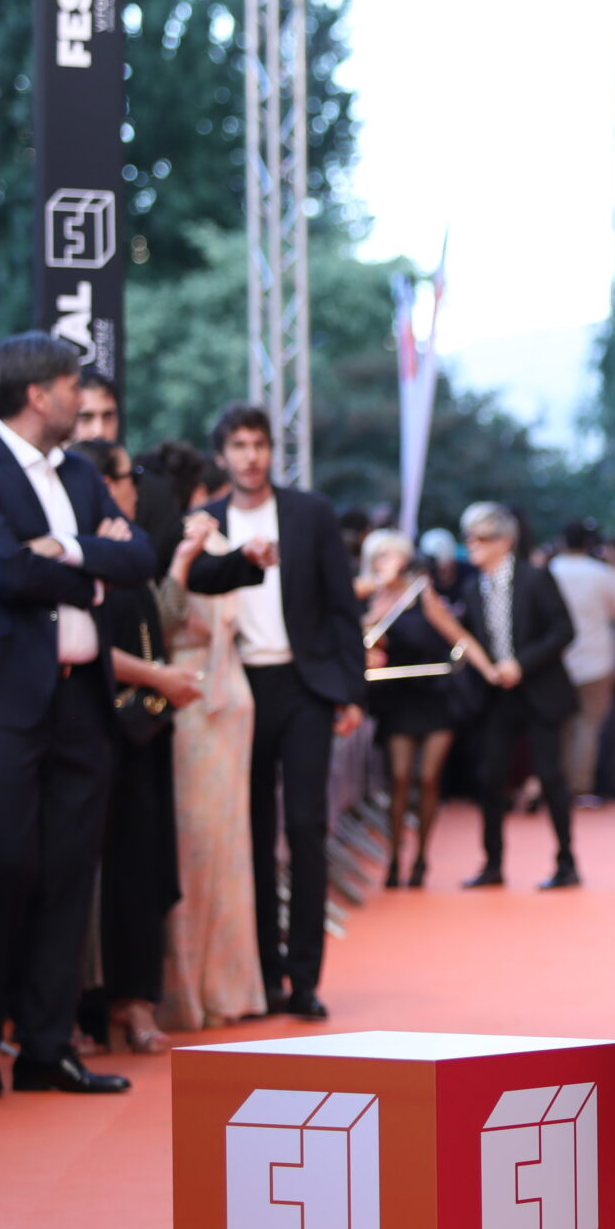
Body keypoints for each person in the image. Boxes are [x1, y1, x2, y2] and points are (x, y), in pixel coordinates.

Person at [0, 333, 155, 1100]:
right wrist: (90, 566)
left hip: (83, 701)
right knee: (6, 863)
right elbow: (0, 566)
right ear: (38, 394)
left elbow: (140, 558)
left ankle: (46, 1046)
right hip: (7, 699)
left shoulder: (82, 473)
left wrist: (63, 547)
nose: (81, 400)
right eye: (71, 387)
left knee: (70, 871)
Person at [182, 404, 367, 1021]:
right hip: (237, 689)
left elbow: (342, 606)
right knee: (251, 833)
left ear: (271, 450)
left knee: (307, 826)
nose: (250, 456)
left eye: (258, 444)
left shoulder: (310, 513)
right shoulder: (205, 521)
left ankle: (305, 977)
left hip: (305, 684)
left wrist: (350, 692)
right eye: (238, 445)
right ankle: (262, 974)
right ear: (221, 456)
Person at [70, 438, 197, 1055]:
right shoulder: (78, 553)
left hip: (145, 730)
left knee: (143, 864)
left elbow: (158, 625)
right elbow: (87, 642)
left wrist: (185, 561)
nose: (136, 488)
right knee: (91, 873)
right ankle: (83, 1008)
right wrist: (160, 678)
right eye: (128, 477)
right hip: (96, 723)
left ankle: (137, 999)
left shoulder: (133, 549)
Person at [158, 453, 268, 1032]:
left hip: (214, 696)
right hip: (200, 696)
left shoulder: (204, 543)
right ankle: (200, 988)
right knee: (201, 846)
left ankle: (210, 987)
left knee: (215, 846)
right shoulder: (183, 544)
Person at [359, 527, 497, 887]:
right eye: (379, 558)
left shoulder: (422, 596)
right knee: (400, 777)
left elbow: (458, 636)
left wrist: (490, 670)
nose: (385, 564)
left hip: (435, 695)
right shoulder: (371, 600)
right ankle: (394, 858)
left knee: (428, 777)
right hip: (398, 698)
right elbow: (357, 639)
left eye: (390, 556)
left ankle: (421, 857)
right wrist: (374, 611)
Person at [454, 503, 580, 889]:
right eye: (468, 538)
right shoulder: (471, 588)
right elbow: (465, 638)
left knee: (550, 776)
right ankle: (492, 863)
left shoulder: (535, 578)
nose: (472, 545)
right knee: (489, 776)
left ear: (505, 541)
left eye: (481, 538)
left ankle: (566, 863)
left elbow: (564, 630)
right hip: (497, 697)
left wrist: (521, 664)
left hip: (540, 690)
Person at [552, 520, 615, 808]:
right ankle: (580, 787)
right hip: (597, 659)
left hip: (556, 660)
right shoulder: (605, 575)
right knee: (588, 725)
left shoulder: (549, 571)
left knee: (561, 726)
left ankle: (556, 785)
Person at [75, 369, 182, 562]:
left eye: (108, 416)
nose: (99, 431)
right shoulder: (46, 484)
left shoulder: (154, 494)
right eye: (86, 417)